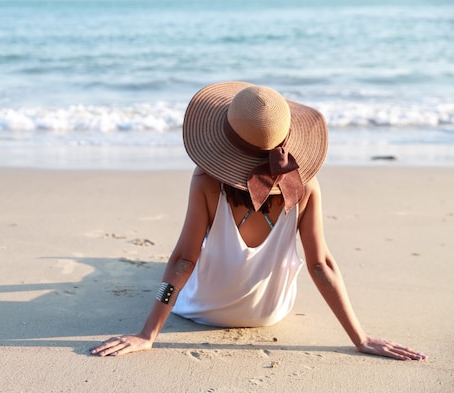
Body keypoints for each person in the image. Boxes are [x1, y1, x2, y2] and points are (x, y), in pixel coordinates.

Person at [91, 82, 427, 361]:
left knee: (172, 272)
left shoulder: (206, 181)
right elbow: (321, 265)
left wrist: (148, 334)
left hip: (204, 310)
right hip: (269, 313)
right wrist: (360, 337)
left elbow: (184, 259)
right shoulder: (304, 185)